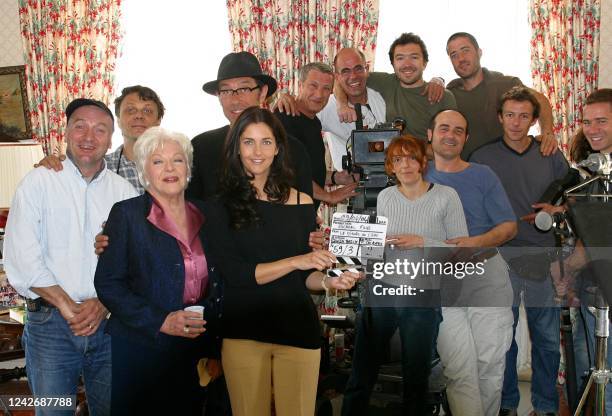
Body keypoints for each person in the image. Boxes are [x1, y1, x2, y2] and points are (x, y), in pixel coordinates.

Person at [204, 107, 358, 416]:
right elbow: (236, 275)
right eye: (248, 142)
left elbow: (307, 276)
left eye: (266, 142)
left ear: (278, 148)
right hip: (243, 330)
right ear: (236, 148)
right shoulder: (219, 205)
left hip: (298, 329)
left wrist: (330, 281)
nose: (257, 151)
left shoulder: (302, 202)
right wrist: (297, 261)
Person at [4, 98, 138, 416]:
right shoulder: (37, 183)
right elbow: (23, 257)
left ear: (110, 139)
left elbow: (135, 264)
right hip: (50, 326)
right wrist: (68, 306)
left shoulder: (124, 194)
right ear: (65, 132)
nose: (89, 136)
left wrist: (102, 303)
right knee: (54, 411)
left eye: (100, 129)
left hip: (108, 325)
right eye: (80, 126)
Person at [93, 127, 223, 415]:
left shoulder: (208, 214)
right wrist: (161, 321)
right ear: (143, 170)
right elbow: (108, 284)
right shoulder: (126, 214)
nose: (169, 168)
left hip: (194, 345)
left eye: (178, 160)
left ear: (188, 168)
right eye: (157, 161)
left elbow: (222, 276)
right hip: (142, 346)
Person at [341, 135, 469, 415]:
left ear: (423, 162)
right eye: (398, 159)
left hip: (423, 294)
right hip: (383, 289)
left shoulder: (447, 196)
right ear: (391, 166)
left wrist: (421, 241)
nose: (406, 165)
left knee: (416, 376)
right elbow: (378, 249)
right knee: (362, 369)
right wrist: (362, 262)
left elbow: (461, 249)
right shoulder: (386, 197)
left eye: (412, 158)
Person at [470, 86, 569, 416]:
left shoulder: (550, 152)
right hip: (500, 259)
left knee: (546, 339)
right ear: (500, 117)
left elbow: (571, 198)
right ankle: (507, 403)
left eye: (524, 116)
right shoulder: (483, 157)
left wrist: (557, 210)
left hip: (544, 256)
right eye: (509, 115)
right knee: (503, 338)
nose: (515, 122)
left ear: (534, 120)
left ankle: (545, 406)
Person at [426, 109, 516, 416]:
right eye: (444, 128)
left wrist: (473, 243)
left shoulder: (483, 175)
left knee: (489, 365)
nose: (450, 135)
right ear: (431, 134)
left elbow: (508, 227)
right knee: (458, 367)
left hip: (486, 274)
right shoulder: (416, 176)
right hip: (442, 281)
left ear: (465, 138)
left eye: (458, 131)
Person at [552, 88, 612, 412]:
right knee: (588, 372)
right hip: (592, 293)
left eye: (601, 120)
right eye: (587, 121)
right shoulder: (589, 174)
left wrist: (572, 265)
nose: (592, 129)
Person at [187, 51, 313, 202]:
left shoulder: (293, 150)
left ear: (262, 93)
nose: (235, 100)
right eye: (226, 90)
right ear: (218, 96)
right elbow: (190, 212)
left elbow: (303, 215)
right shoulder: (200, 147)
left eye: (244, 89)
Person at [34, 85, 165, 194]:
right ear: (118, 120)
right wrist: (51, 169)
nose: (139, 116)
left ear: (159, 120)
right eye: (130, 110)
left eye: (147, 111)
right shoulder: (98, 168)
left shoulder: (178, 167)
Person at [445, 32, 556, 159]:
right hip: (468, 171)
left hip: (507, 166)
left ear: (479, 52)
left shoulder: (505, 84)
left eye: (465, 50)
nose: (461, 58)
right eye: (454, 55)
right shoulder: (450, 94)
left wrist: (547, 133)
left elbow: (540, 100)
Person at [335, 33, 456, 141]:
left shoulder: (443, 96)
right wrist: (342, 105)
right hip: (391, 164)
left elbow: (451, 144)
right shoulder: (386, 82)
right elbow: (344, 80)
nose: (407, 64)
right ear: (393, 64)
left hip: (429, 165)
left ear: (424, 63)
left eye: (414, 57)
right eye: (400, 58)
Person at [275, 62, 358, 207]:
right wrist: (328, 196)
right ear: (300, 85)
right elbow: (289, 173)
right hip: (286, 214)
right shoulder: (285, 116)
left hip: (303, 214)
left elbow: (306, 170)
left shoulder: (314, 122)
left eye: (326, 88)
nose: (319, 94)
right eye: (313, 86)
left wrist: (336, 177)